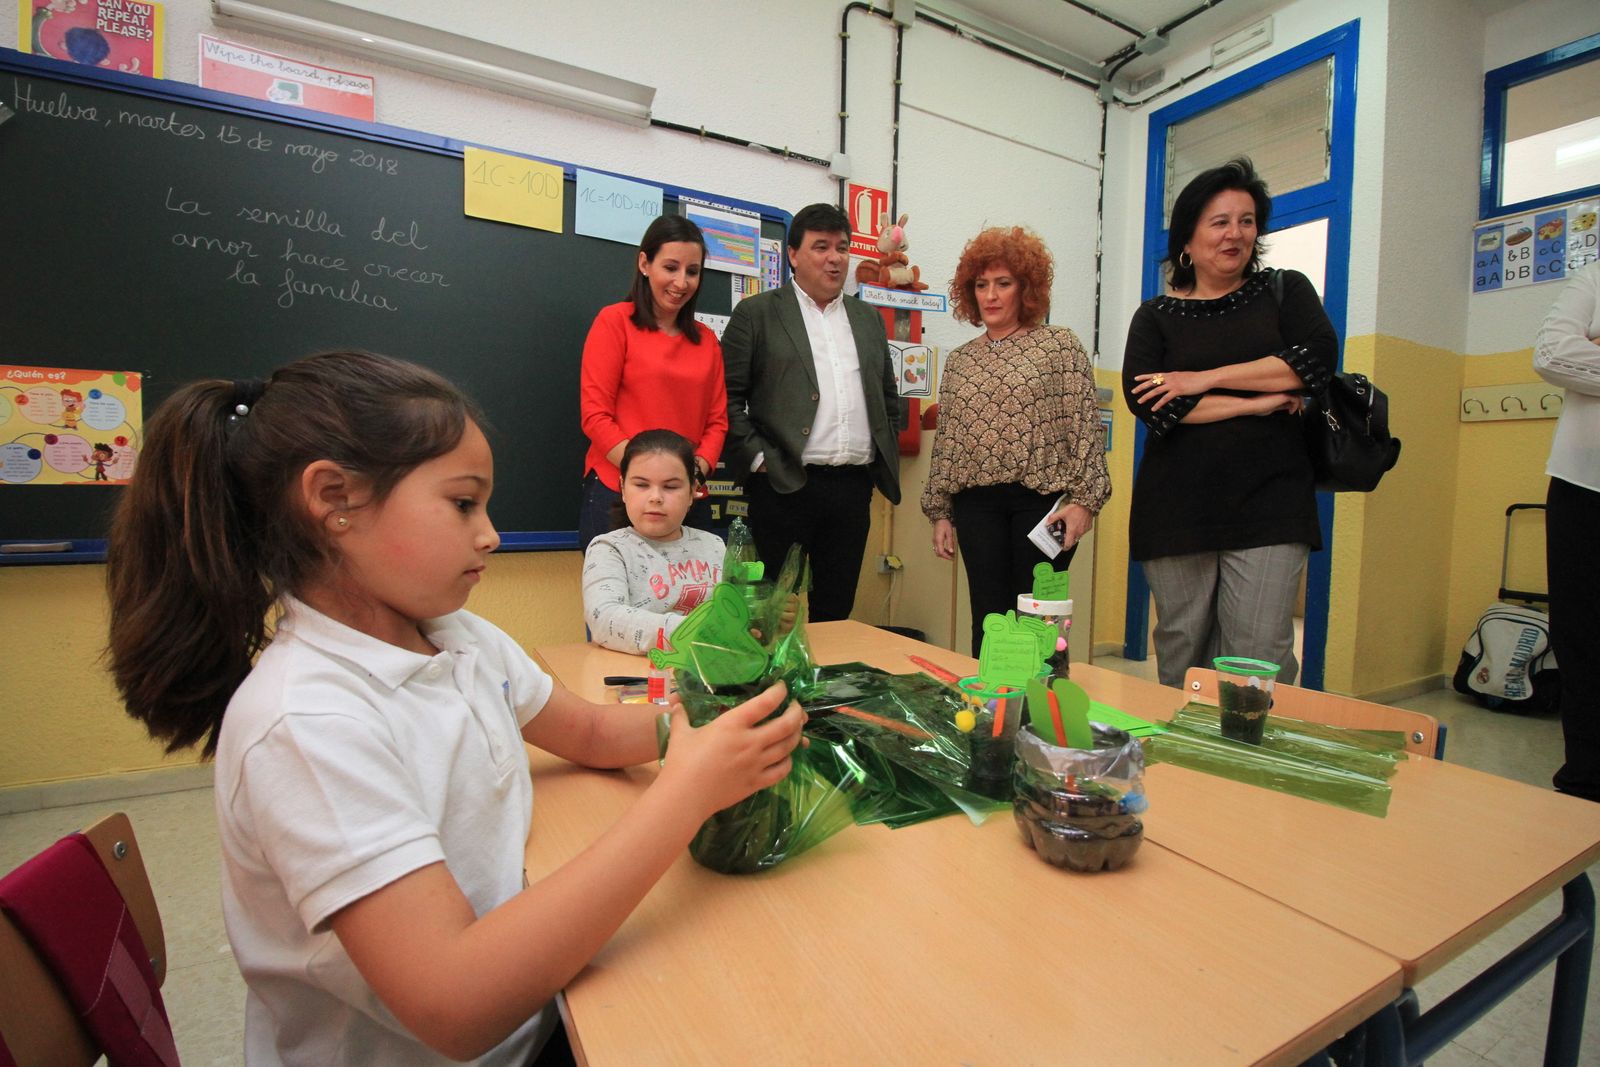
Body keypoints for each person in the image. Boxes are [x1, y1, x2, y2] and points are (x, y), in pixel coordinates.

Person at [103, 351, 804, 1065]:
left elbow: (589, 729)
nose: (491, 533)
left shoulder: (455, 634)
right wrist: (686, 791)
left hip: (530, 1002)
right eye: (464, 502)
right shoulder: (306, 723)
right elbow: (457, 1001)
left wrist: (697, 724)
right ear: (334, 498)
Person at [1122, 157, 1335, 687]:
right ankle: (1185, 765)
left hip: (1271, 502)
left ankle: (1254, 765)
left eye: (1246, 221)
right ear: (1187, 241)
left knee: (1257, 657)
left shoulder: (1285, 291)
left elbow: (1313, 363)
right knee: (1182, 654)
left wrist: (1199, 379)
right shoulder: (1155, 316)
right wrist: (1254, 401)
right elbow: (1153, 404)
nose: (1235, 234)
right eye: (1219, 222)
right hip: (1177, 506)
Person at [923, 226, 1111, 656]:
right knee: (989, 623)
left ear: (1026, 288)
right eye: (981, 284)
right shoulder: (960, 361)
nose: (990, 295)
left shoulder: (1059, 346)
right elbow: (947, 443)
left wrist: (1086, 502)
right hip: (976, 508)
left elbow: (1084, 427)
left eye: (1003, 284)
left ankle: (1038, 719)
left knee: (1040, 625)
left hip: (1041, 506)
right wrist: (940, 512)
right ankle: (991, 717)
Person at [722, 202, 904, 622]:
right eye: (821, 246)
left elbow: (887, 398)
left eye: (841, 247)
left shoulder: (868, 319)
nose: (834, 258)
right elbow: (725, 397)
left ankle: (823, 687)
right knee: (769, 612)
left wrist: (882, 449)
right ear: (793, 254)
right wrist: (759, 458)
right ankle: (768, 688)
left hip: (853, 489)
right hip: (783, 484)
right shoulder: (758, 313)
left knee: (836, 611)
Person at [579, 215, 727, 552]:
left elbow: (717, 422)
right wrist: (647, 477)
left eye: (692, 271)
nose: (681, 282)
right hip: (617, 495)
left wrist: (689, 479)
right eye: (670, 267)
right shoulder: (615, 323)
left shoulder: (706, 341)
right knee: (618, 602)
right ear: (644, 263)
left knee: (692, 600)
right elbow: (595, 415)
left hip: (687, 499)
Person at [1536, 259, 1600, 803]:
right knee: (1581, 637)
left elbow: (1578, 357)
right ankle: (1584, 782)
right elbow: (1553, 353)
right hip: (1584, 485)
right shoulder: (1596, 277)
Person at [583, 430, 725, 654]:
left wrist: (767, 618)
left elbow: (736, 615)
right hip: (640, 679)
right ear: (623, 489)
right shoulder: (609, 549)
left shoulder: (715, 546)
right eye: (641, 485)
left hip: (708, 674)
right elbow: (605, 619)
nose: (655, 497)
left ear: (692, 493)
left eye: (670, 487)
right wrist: (696, 632)